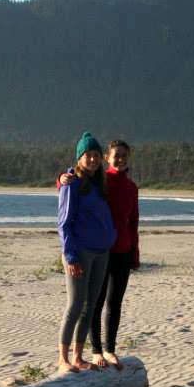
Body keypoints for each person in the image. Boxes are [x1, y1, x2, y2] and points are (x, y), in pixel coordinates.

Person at [60, 139, 140, 370]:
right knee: (88, 304)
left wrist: (135, 252)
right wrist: (62, 178)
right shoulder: (98, 180)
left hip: (118, 250)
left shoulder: (125, 186)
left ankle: (106, 350)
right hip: (97, 251)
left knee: (111, 304)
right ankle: (90, 352)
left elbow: (133, 222)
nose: (120, 159)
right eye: (116, 155)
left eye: (124, 155)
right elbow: (72, 186)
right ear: (108, 158)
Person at [57, 132, 117, 374]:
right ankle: (63, 358)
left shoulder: (99, 183)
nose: (92, 159)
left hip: (102, 252)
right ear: (79, 157)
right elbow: (64, 223)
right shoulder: (72, 183)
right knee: (75, 304)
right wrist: (70, 256)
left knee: (90, 305)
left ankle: (78, 357)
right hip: (80, 252)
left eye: (95, 155)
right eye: (87, 155)